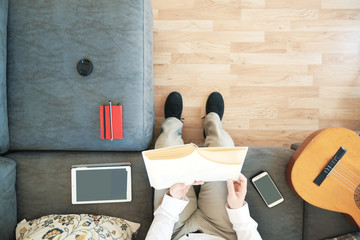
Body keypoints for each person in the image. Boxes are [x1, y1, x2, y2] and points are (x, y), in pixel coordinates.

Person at [146, 92, 262, 240]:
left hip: (175, 232)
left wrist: (171, 201)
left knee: (166, 146)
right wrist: (237, 208)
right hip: (223, 231)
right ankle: (213, 123)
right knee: (223, 148)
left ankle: (172, 122)